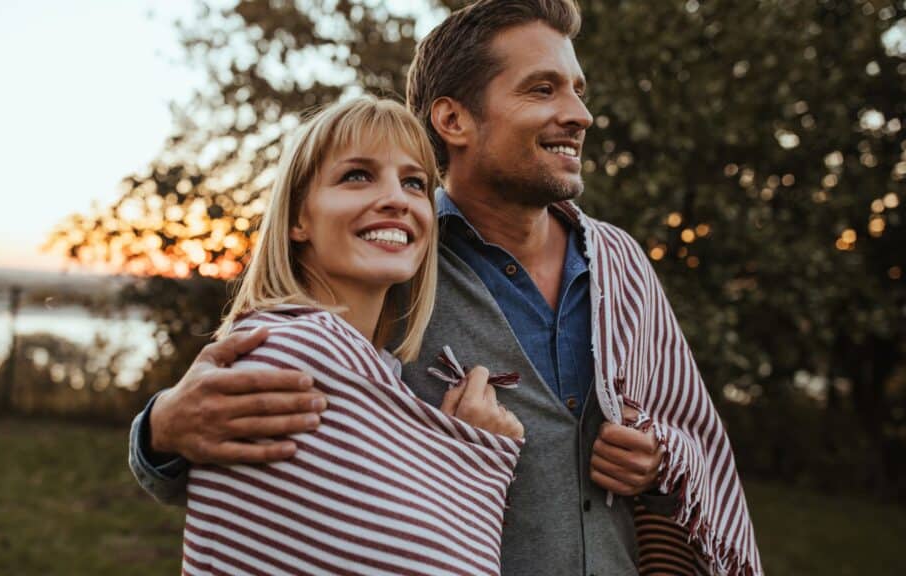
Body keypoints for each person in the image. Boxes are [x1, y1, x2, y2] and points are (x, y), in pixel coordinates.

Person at [129, 1, 763, 574]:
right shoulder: (389, 261)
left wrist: (658, 465)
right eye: (542, 89)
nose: (580, 114)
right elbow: (271, 477)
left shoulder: (621, 264)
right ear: (454, 119)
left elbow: (692, 440)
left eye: (577, 90)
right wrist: (159, 432)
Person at [178, 95, 525, 575]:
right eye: (357, 176)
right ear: (299, 218)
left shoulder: (369, 367)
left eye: (414, 183)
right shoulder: (294, 353)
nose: (397, 199)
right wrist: (481, 457)